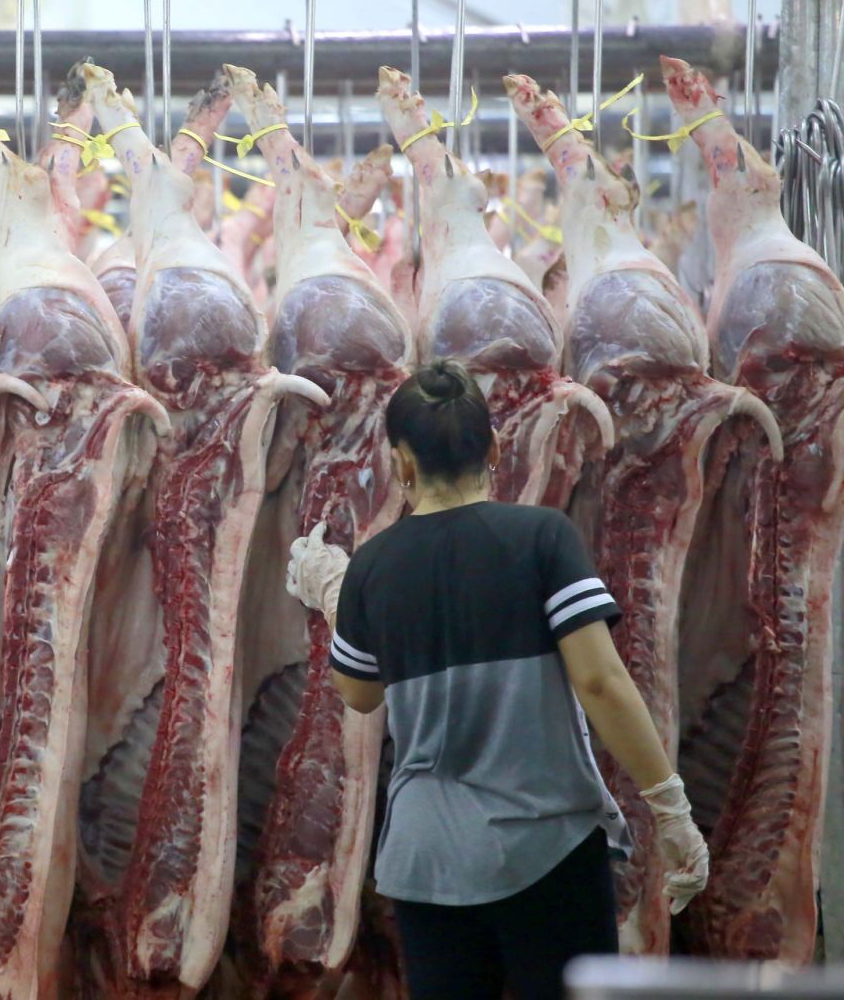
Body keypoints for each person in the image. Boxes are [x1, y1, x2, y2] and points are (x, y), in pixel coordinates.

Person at [285, 360, 709, 1000]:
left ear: (402, 461)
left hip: (429, 862)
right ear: (493, 448)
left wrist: (337, 593)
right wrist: (669, 807)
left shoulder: (373, 566)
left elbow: (359, 693)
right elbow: (599, 680)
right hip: (547, 849)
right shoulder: (541, 539)